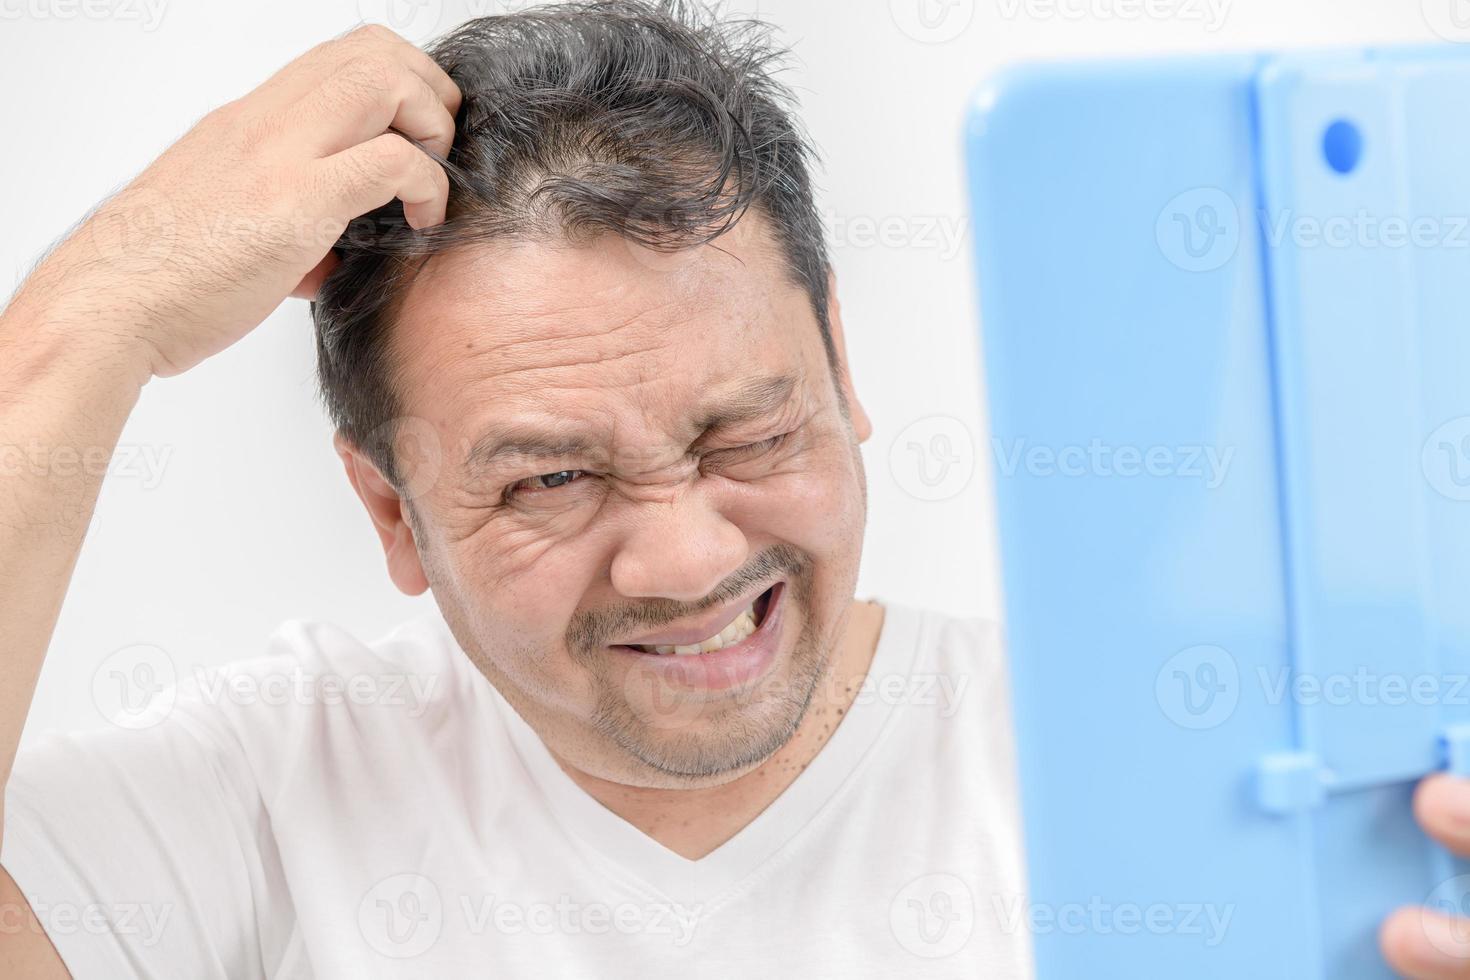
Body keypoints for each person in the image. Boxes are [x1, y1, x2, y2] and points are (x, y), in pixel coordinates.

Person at [0, 2, 1029, 977]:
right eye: (555, 478)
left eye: (747, 435)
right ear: (391, 510)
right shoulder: (266, 795)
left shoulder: (1095, 755)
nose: (690, 559)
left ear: (840, 368)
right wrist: (89, 317)